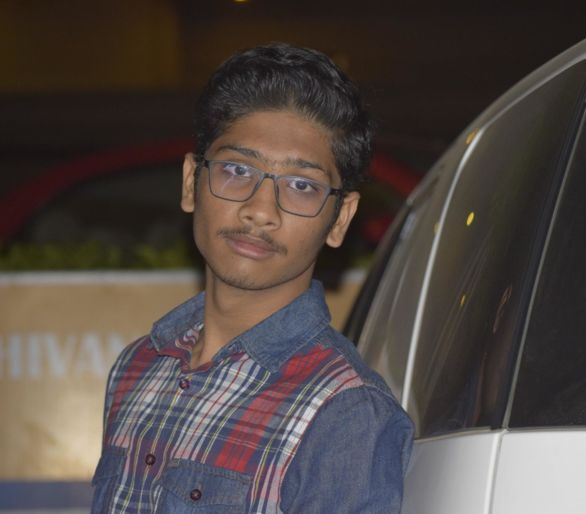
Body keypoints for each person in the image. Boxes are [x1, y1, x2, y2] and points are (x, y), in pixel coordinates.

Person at [91, 43, 413, 514]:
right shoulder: (138, 367)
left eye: (301, 185)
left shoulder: (345, 411)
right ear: (191, 182)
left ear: (340, 218)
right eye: (237, 170)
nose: (260, 210)